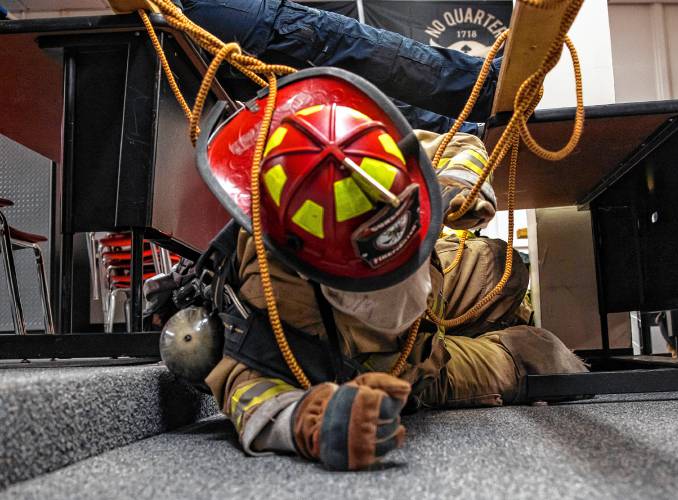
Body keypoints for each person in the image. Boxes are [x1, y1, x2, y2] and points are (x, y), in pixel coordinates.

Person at [120, 1, 588, 471]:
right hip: (407, 367)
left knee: (505, 271)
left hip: (434, 273)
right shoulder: (266, 312)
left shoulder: (370, 145)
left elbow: (455, 146)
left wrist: (460, 185)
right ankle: (505, 339)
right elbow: (255, 404)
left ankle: (489, 303)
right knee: (541, 358)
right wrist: (322, 422)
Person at [111, 0, 504, 134]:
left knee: (346, 100)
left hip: (203, 39)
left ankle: (467, 130)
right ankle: (482, 88)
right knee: (356, 48)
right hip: (228, 22)